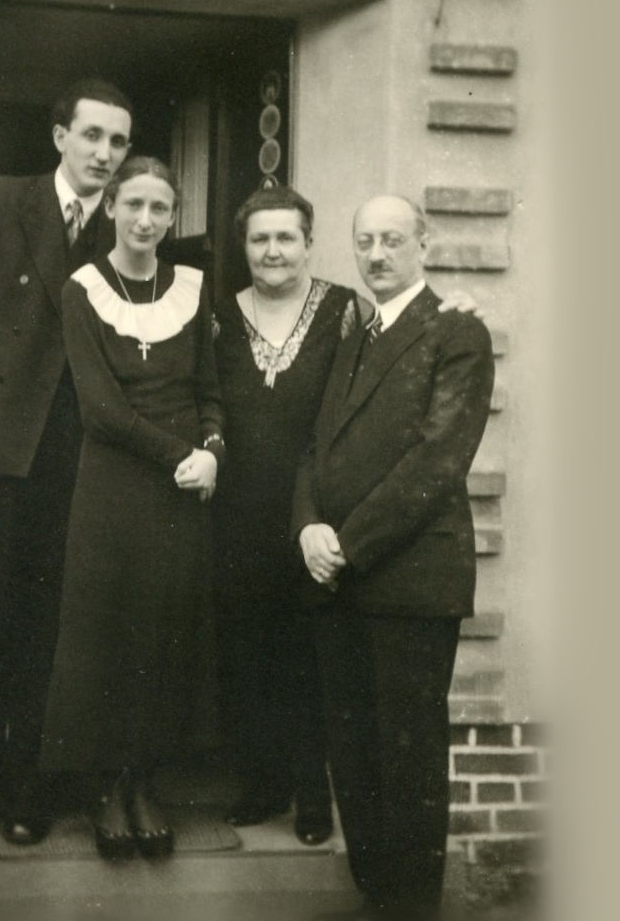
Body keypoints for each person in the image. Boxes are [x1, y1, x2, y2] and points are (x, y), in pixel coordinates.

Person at [0, 79, 133, 849]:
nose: (105, 155)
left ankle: (29, 791)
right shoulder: (3, 199)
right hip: (1, 447)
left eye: (118, 142)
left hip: (80, 456)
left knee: (55, 630)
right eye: (92, 137)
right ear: (61, 137)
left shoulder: (125, 219)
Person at [293, 195, 496, 921]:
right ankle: (374, 901)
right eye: (364, 242)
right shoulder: (355, 329)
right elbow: (318, 446)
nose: (376, 254)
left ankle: (409, 909)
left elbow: (436, 459)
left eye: (392, 240)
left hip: (407, 582)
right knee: (354, 759)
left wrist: (347, 543)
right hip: (337, 579)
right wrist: (309, 525)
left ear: (424, 243)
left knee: (406, 766)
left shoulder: (456, 331)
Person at [39, 156, 225, 862]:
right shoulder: (82, 290)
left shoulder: (193, 287)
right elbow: (101, 410)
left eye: (160, 209)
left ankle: (145, 784)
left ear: (173, 217)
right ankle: (105, 790)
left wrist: (213, 448)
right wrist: (181, 451)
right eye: (134, 206)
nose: (146, 221)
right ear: (111, 208)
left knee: (161, 639)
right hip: (113, 488)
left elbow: (211, 388)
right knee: (105, 641)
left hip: (180, 492)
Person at [208, 187, 359, 846]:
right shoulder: (217, 314)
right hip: (236, 515)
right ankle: (261, 785)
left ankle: (312, 795)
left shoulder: (345, 311)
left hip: (312, 512)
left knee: (311, 657)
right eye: (259, 239)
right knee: (247, 653)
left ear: (308, 242)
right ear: (245, 248)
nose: (272, 251)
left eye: (285, 238)